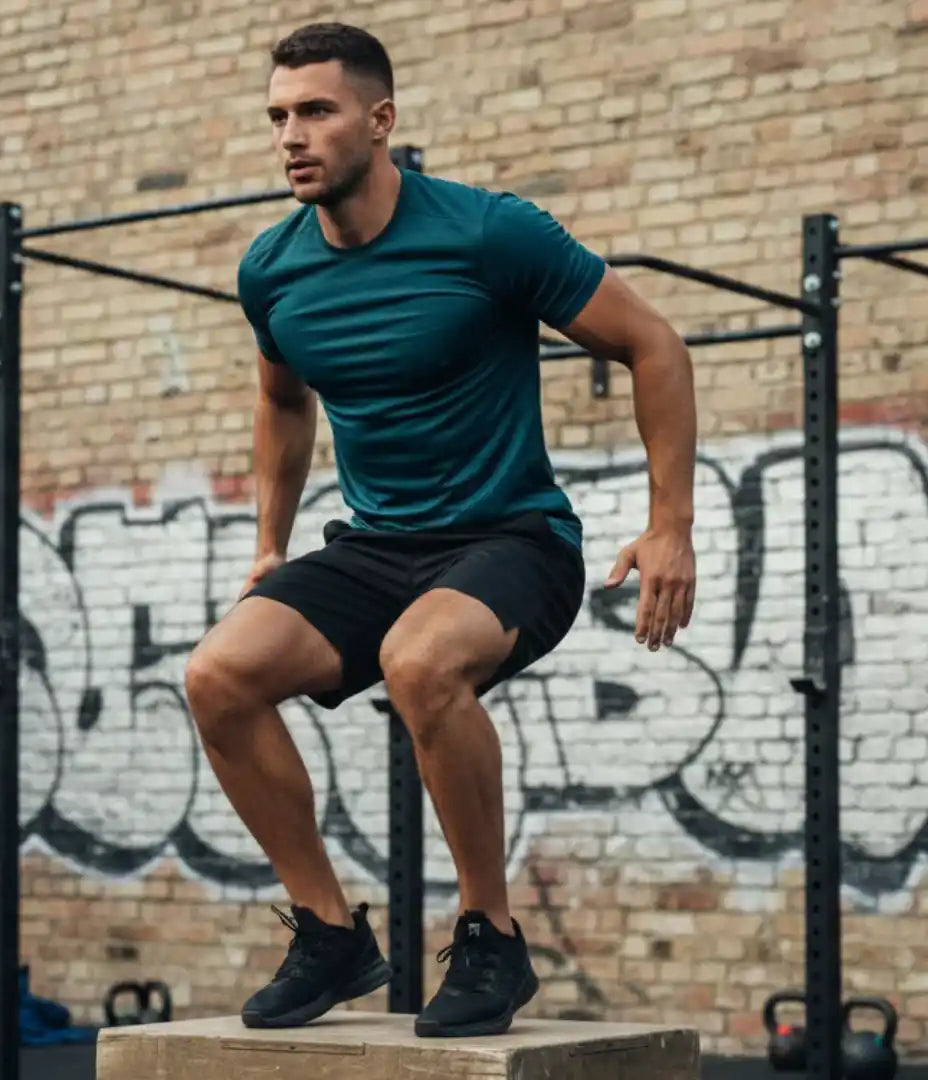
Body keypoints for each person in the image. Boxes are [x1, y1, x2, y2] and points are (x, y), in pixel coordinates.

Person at [184, 22, 697, 1038]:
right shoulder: (272, 270)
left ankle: (490, 938)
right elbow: (284, 404)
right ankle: (330, 935)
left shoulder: (486, 233)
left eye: (317, 112)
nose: (292, 135)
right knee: (218, 677)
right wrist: (268, 544)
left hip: (513, 539)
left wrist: (669, 525)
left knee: (419, 663)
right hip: (376, 546)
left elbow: (654, 344)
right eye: (279, 116)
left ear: (380, 120)